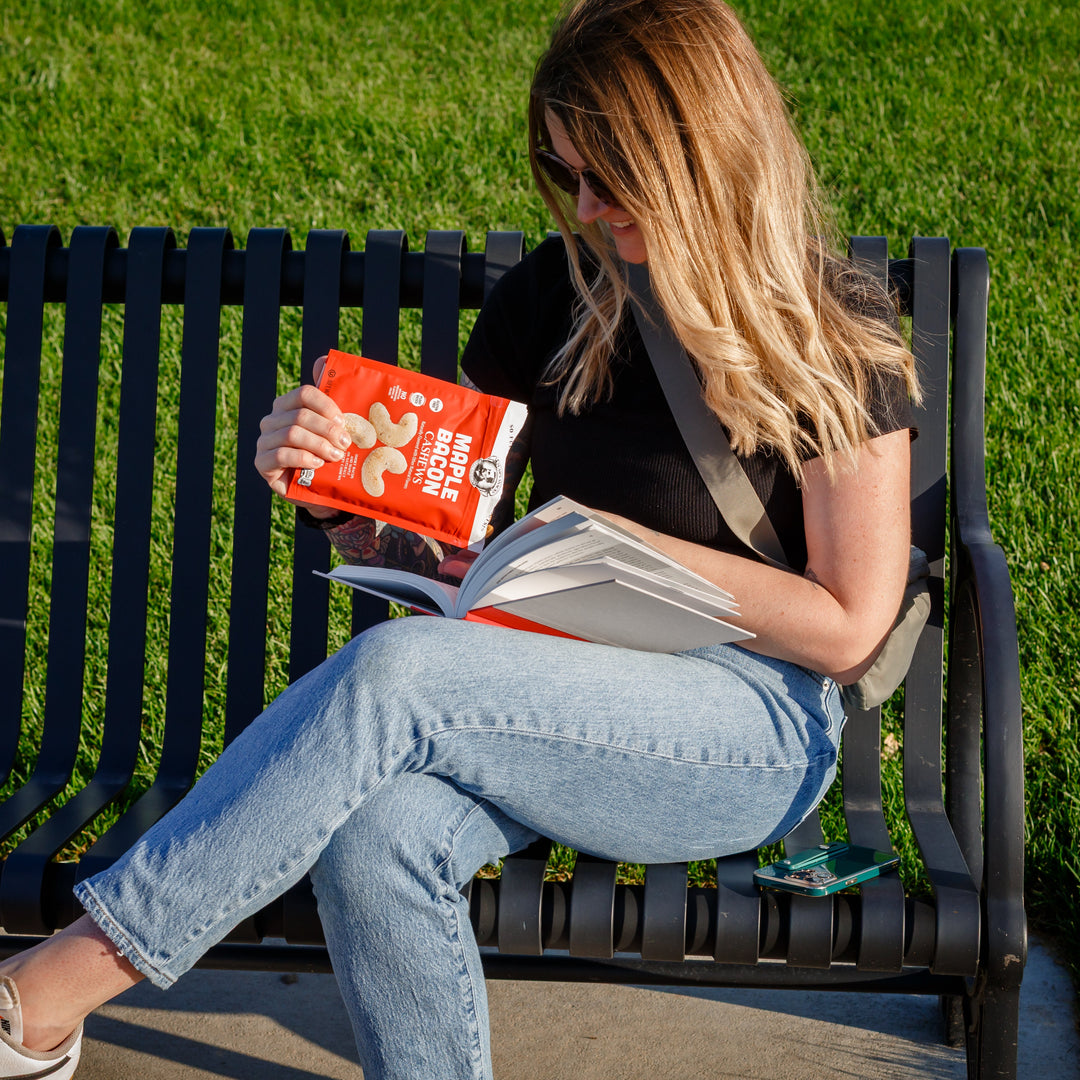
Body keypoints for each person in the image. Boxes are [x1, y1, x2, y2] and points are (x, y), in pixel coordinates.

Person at [0, 1, 919, 1078]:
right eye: (563, 170)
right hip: (533, 692)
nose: (583, 208)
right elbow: (456, 561)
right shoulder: (556, 296)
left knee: (398, 676)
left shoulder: (829, 324)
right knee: (376, 831)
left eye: (610, 183)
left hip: (747, 723)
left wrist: (636, 551)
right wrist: (341, 495)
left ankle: (42, 997)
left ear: (698, 158)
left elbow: (851, 626)